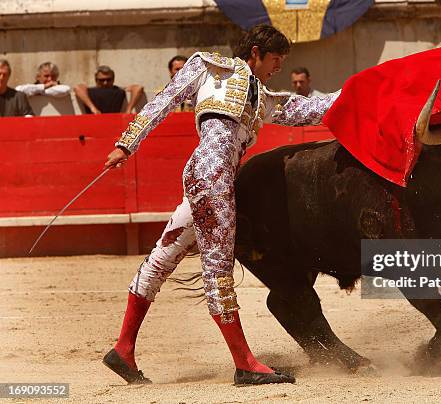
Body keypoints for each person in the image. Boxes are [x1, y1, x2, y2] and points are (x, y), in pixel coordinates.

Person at [102, 24, 340, 386]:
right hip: (212, 175)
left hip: (211, 179)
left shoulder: (263, 98)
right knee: (218, 266)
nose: (278, 67)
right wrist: (127, 143)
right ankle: (244, 363)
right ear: (257, 52)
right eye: (275, 59)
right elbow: (164, 99)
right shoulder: (208, 66)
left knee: (161, 259)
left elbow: (311, 109)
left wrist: (358, 91)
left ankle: (123, 349)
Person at [74, 66, 144, 114]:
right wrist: (93, 108)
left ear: (113, 79)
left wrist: (128, 109)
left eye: (108, 80)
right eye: (102, 80)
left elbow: (138, 88)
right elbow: (78, 88)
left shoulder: (118, 90)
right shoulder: (91, 91)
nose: (105, 83)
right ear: (96, 80)